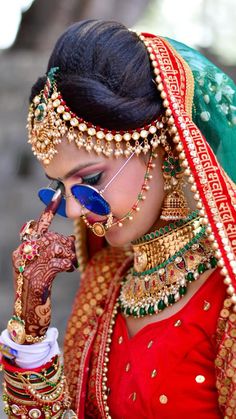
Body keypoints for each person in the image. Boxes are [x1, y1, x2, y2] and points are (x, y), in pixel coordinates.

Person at [0, 19, 236, 419]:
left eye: (90, 179)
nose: (73, 211)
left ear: (164, 147)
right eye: (58, 190)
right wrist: (30, 324)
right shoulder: (108, 281)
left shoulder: (227, 297)